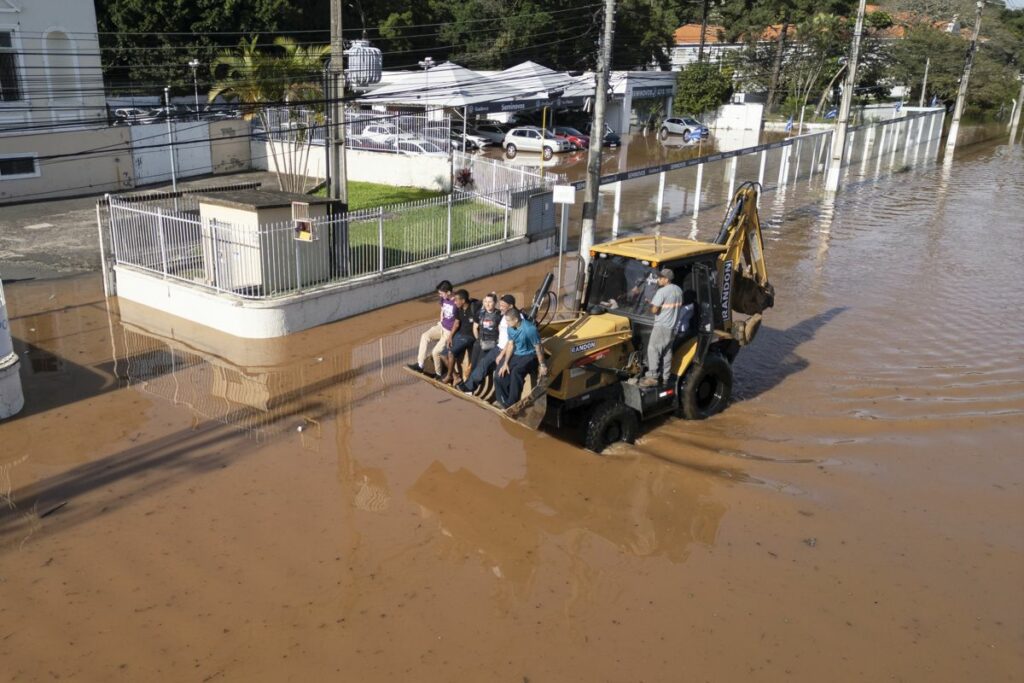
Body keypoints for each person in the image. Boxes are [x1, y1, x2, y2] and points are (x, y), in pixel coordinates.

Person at [459, 294, 514, 394]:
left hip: (497, 347)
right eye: (485, 302)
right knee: (479, 365)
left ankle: (471, 387)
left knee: (484, 365)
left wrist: (501, 353)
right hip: (487, 345)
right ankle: (468, 386)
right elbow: (475, 327)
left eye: (490, 302)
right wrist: (479, 340)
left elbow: (511, 339)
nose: (487, 304)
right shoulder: (482, 313)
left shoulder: (503, 316)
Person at [494, 308, 547, 408]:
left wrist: (542, 364)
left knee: (516, 372)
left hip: (530, 355)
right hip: (517, 354)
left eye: (508, 321)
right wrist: (505, 363)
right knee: (499, 374)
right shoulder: (510, 328)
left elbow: (538, 347)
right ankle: (503, 402)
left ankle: (513, 404)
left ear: (516, 320)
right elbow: (510, 344)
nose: (507, 323)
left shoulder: (530, 329)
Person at [640, 268, 683, 387]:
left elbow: (654, 310)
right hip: (672, 327)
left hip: (661, 326)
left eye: (660, 277)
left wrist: (651, 304)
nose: (658, 279)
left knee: (653, 349)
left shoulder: (662, 292)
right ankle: (665, 377)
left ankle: (652, 377)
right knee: (667, 352)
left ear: (666, 279)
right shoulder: (678, 290)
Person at [411, 280, 457, 378]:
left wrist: (451, 335)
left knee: (435, 352)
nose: (440, 295)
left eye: (441, 293)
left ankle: (438, 374)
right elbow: (442, 309)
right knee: (425, 336)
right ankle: (420, 365)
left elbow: (458, 321)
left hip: (448, 332)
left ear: (448, 292)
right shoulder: (443, 298)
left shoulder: (456, 302)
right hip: (441, 326)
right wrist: (440, 321)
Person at [443, 289, 478, 384]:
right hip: (459, 334)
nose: (455, 302)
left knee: (451, 353)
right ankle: (455, 376)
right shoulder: (459, 309)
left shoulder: (474, 309)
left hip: (469, 337)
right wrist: (450, 337)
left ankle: (448, 376)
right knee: (443, 355)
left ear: (463, 301)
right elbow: (457, 323)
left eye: (457, 300)